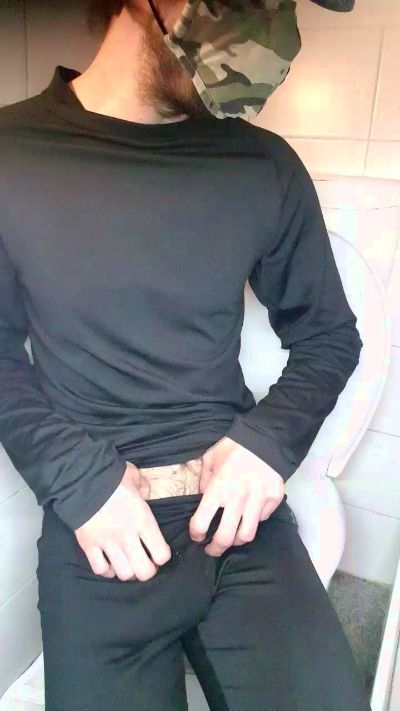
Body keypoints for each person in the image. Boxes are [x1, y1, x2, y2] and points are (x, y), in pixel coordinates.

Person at [0, 1, 371, 709]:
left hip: (239, 516)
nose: (269, 22)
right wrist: (75, 478)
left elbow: (329, 333)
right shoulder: (10, 153)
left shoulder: (264, 165)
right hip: (100, 522)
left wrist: (269, 445)